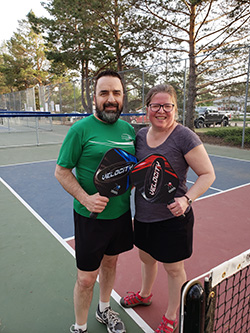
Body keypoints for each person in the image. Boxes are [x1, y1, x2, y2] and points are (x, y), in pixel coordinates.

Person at [120, 84, 215, 333]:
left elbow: (207, 174)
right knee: (146, 258)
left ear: (175, 108)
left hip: (174, 219)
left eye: (167, 106)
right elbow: (135, 173)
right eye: (155, 105)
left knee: (173, 269)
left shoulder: (184, 137)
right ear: (148, 108)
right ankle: (145, 294)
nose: (161, 110)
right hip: (143, 215)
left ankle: (172, 314)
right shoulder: (140, 136)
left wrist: (187, 199)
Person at [55, 69, 136, 333]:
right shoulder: (80, 130)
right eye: (104, 93)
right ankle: (80, 327)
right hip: (90, 219)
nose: (111, 98)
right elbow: (61, 171)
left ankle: (104, 310)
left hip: (121, 215)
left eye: (116, 93)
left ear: (123, 97)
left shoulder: (128, 131)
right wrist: (86, 199)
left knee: (111, 263)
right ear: (95, 97)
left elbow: (132, 169)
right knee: (87, 278)